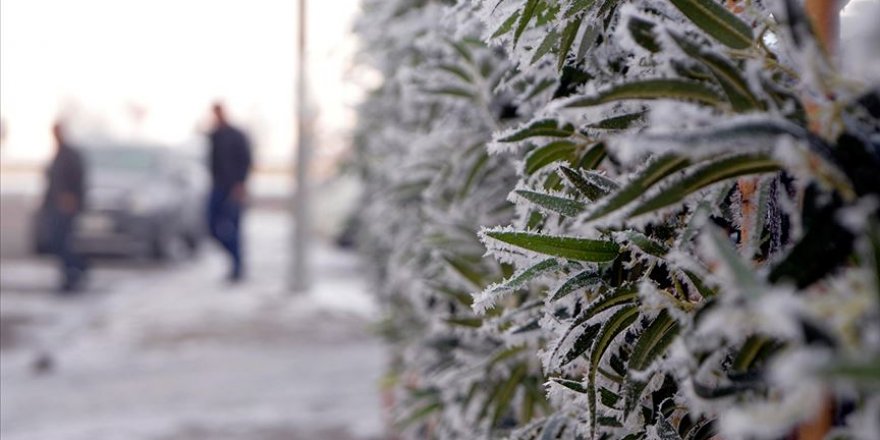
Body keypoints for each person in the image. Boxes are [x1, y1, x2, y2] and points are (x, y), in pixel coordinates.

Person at [206, 102, 252, 282]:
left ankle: (237, 267)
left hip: (233, 188)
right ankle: (232, 258)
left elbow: (246, 160)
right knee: (211, 226)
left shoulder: (236, 135)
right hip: (217, 187)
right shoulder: (214, 135)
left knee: (234, 228)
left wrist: (240, 184)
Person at [43, 121, 88, 292]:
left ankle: (73, 275)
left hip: (66, 207)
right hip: (55, 206)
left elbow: (78, 178)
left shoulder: (69, 154)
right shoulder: (58, 153)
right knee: (58, 242)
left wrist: (72, 198)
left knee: (64, 242)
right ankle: (78, 269)